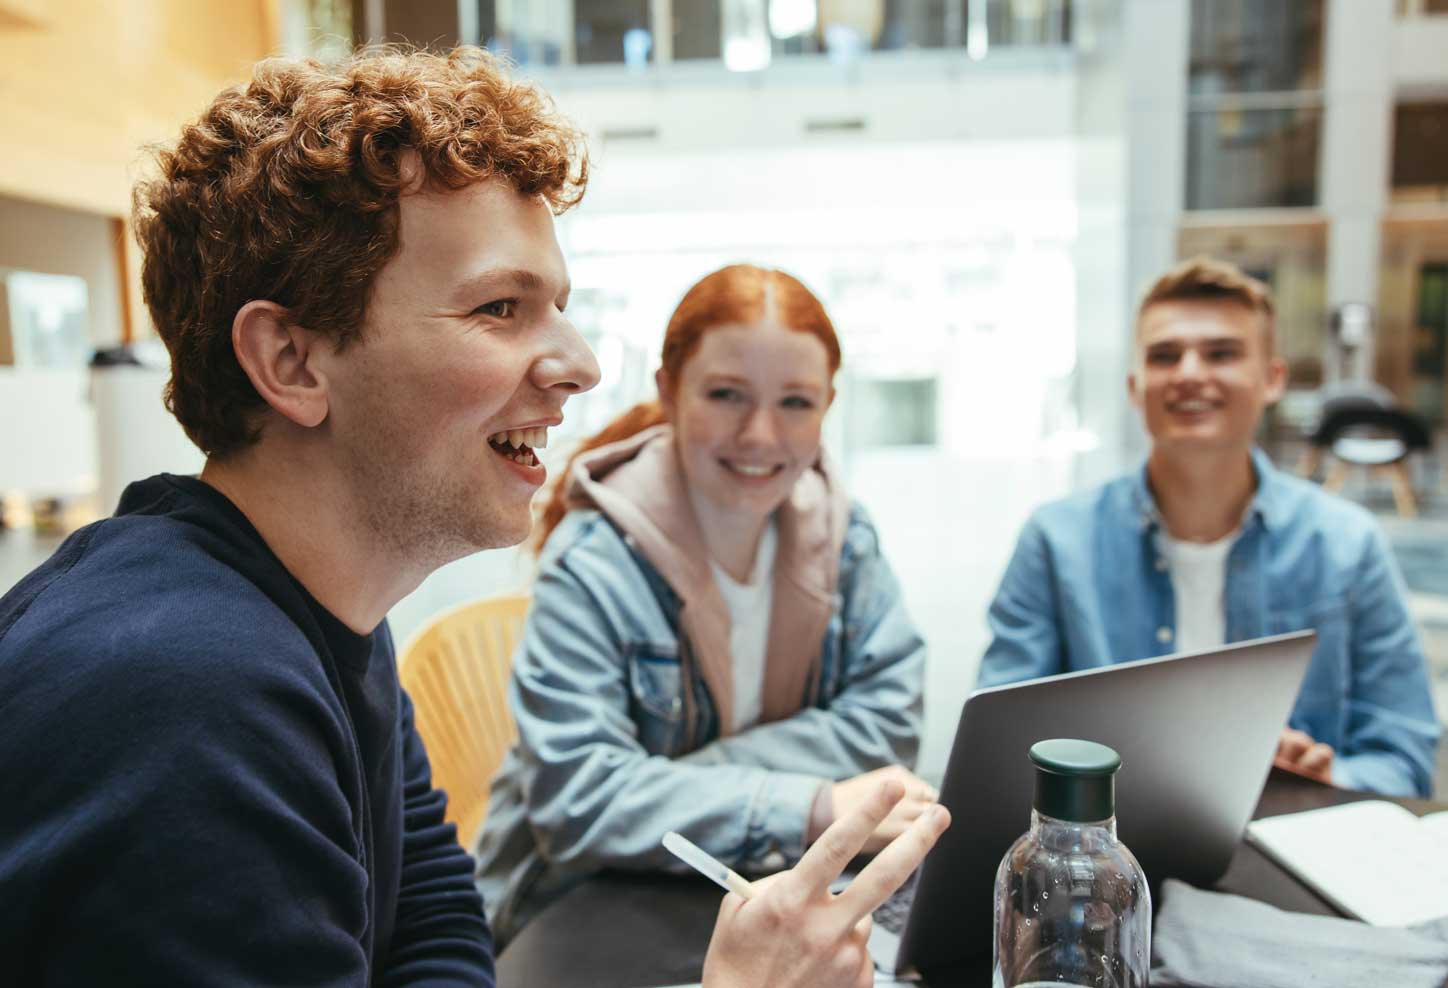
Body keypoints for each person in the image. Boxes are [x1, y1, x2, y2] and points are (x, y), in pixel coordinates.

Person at [0, 48, 948, 987]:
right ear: (291, 362)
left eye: (560, 309)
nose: (577, 363)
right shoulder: (180, 696)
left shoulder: (329, 617)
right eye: (501, 307)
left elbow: (438, 924)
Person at [473, 263, 934, 943]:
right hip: (578, 913)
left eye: (796, 403)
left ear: (828, 406)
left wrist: (663, 787)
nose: (760, 436)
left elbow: (887, 724)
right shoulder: (594, 560)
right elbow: (579, 806)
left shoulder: (847, 537)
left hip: (757, 887)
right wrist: (809, 804)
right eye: (726, 394)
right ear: (668, 390)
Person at [977, 256, 1440, 799]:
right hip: (1107, 860)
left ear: (1272, 380)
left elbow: (1404, 758)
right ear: (1135, 385)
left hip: (1295, 847)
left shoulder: (1347, 544)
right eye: (1165, 355)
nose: (1191, 373)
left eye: (1221, 353)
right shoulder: (1057, 543)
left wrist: (1327, 779)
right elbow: (998, 752)